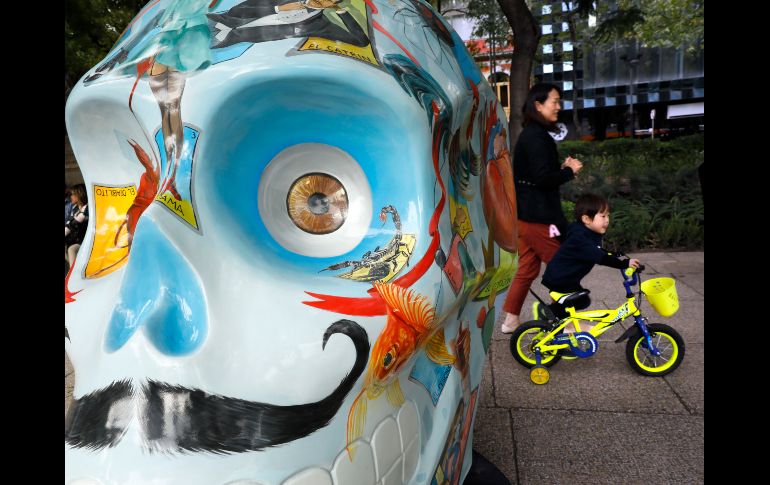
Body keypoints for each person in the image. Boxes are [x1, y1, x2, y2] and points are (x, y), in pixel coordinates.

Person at [500, 83, 583, 333]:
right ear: (538, 104)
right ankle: (565, 322)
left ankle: (510, 321)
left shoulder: (532, 135)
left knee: (527, 269)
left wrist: (562, 170)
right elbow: (543, 179)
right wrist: (569, 171)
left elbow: (539, 176)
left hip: (527, 216)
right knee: (564, 267)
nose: (559, 106)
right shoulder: (537, 137)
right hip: (538, 218)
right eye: (554, 101)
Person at [538, 193, 640, 334]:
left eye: (608, 216)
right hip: (561, 279)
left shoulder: (585, 232)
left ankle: (555, 316)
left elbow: (597, 251)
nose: (607, 220)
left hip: (565, 277)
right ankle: (557, 320)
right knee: (581, 301)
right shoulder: (580, 239)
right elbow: (600, 257)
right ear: (586, 219)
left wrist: (615, 255)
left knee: (580, 300)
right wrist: (623, 264)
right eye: (603, 216)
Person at [65, 184, 90, 267]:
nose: (71, 197)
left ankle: (73, 274)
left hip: (85, 240)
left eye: (72, 194)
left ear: (79, 195)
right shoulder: (75, 208)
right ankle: (74, 269)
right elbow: (69, 223)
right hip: (75, 239)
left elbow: (73, 224)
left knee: (71, 249)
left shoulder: (87, 209)